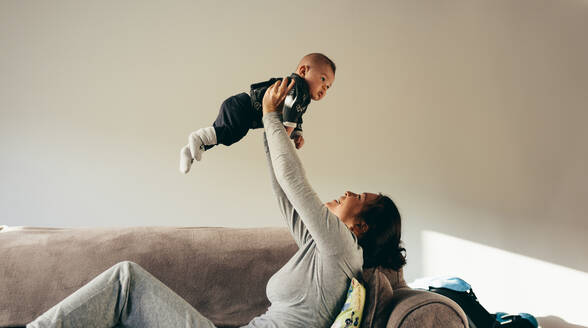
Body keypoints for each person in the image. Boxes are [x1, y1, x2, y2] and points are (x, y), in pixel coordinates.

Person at [28, 79, 405, 328]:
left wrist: (273, 117)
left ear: (362, 225)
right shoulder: (327, 252)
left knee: (126, 281)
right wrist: (272, 128)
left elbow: (294, 181)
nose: (346, 193)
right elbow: (284, 190)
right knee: (126, 289)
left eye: (357, 197)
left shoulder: (340, 247)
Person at [179, 53, 336, 174]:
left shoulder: (303, 98)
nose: (324, 89)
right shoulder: (296, 87)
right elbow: (290, 110)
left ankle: (190, 150)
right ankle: (197, 138)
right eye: (323, 79)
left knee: (224, 135)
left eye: (328, 87)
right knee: (230, 132)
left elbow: (296, 116)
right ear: (303, 70)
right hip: (242, 108)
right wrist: (284, 136)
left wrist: (296, 134)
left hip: (243, 111)